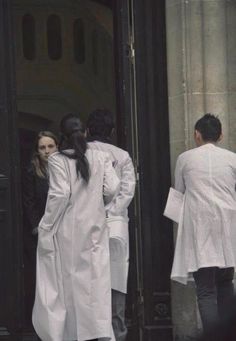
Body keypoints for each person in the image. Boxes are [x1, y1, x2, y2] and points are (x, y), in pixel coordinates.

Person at [32, 114, 120, 341]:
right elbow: (112, 187)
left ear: (62, 137)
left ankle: (73, 335)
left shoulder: (58, 160)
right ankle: (99, 332)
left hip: (68, 229)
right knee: (97, 282)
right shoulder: (101, 157)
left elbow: (60, 194)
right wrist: (99, 204)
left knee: (69, 285)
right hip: (95, 228)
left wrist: (46, 224)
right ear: (87, 133)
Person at [171, 114, 236, 334]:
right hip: (228, 228)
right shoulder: (232, 158)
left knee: (206, 289)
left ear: (197, 135)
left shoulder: (185, 158)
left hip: (199, 229)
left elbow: (178, 193)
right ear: (221, 135)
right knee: (226, 284)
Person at [86, 109, 136, 341]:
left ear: (86, 131)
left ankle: (91, 333)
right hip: (116, 223)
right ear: (112, 131)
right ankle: (117, 332)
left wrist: (95, 212)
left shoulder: (81, 153)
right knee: (116, 280)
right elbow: (127, 191)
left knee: (88, 278)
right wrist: (110, 211)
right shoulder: (123, 155)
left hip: (86, 223)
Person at [22, 131, 58, 326]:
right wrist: (36, 226)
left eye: (50, 146)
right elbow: (28, 201)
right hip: (41, 231)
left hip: (61, 230)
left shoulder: (63, 167)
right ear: (37, 151)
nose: (47, 151)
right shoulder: (32, 171)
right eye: (42, 147)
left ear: (57, 147)